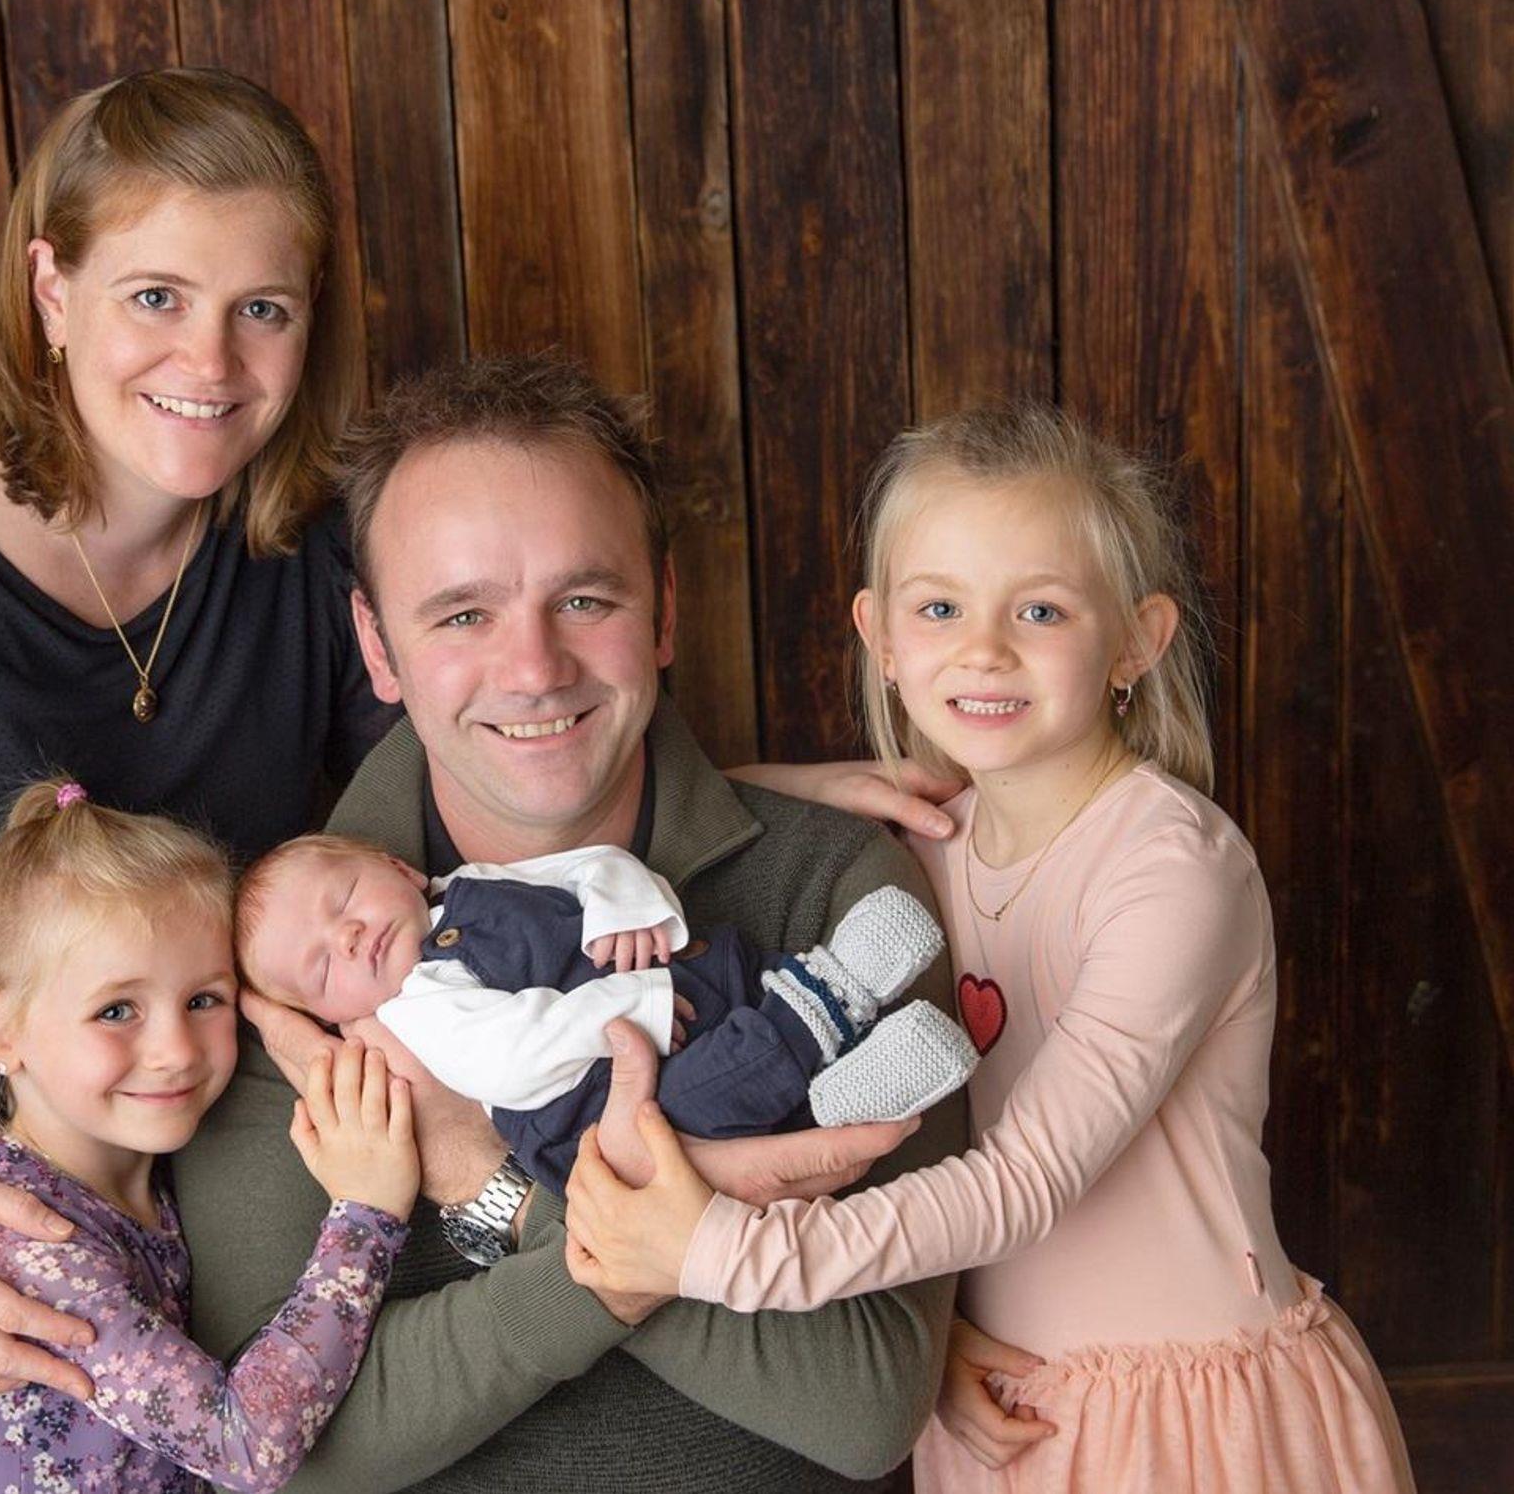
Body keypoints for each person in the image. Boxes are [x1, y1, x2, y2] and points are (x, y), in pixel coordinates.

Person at [0, 68, 954, 1483]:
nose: (212, 358)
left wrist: (737, 795)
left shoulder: (289, 558)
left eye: (264, 309)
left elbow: (488, 732)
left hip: (190, 1211)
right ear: (50, 289)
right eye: (155, 296)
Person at [557, 405, 1416, 1493]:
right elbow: (685, 810)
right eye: (939, 608)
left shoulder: (1171, 870)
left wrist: (722, 1252)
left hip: (1185, 1421)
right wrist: (812, 785)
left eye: (1040, 609)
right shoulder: (926, 849)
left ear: (1136, 640)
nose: (983, 648)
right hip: (1001, 1415)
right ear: (880, 636)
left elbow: (1027, 1180)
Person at [176, 352, 973, 1492]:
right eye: (462, 614)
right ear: (377, 646)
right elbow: (290, 1455)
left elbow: (863, 1404)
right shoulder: (287, 970)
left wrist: (476, 1169)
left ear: (664, 610)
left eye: (584, 601)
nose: (534, 669)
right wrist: (625, 1238)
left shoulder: (841, 888)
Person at [0, 779, 415, 1493]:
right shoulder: (30, 1249)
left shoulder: (142, 1175)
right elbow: (244, 1447)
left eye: (204, 999)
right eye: (117, 1010)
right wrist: (368, 1214)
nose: (177, 1051)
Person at [235, 832, 975, 1188]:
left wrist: (626, 909)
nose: (348, 937)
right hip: (601, 1102)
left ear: (396, 868)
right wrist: (632, 1009)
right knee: (704, 1098)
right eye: (323, 968)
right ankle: (831, 1023)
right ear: (335, 1017)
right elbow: (513, 1055)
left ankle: (834, 1013)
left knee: (739, 978)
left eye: (344, 900)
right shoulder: (416, 1008)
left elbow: (588, 865)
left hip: (681, 990)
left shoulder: (468, 885)